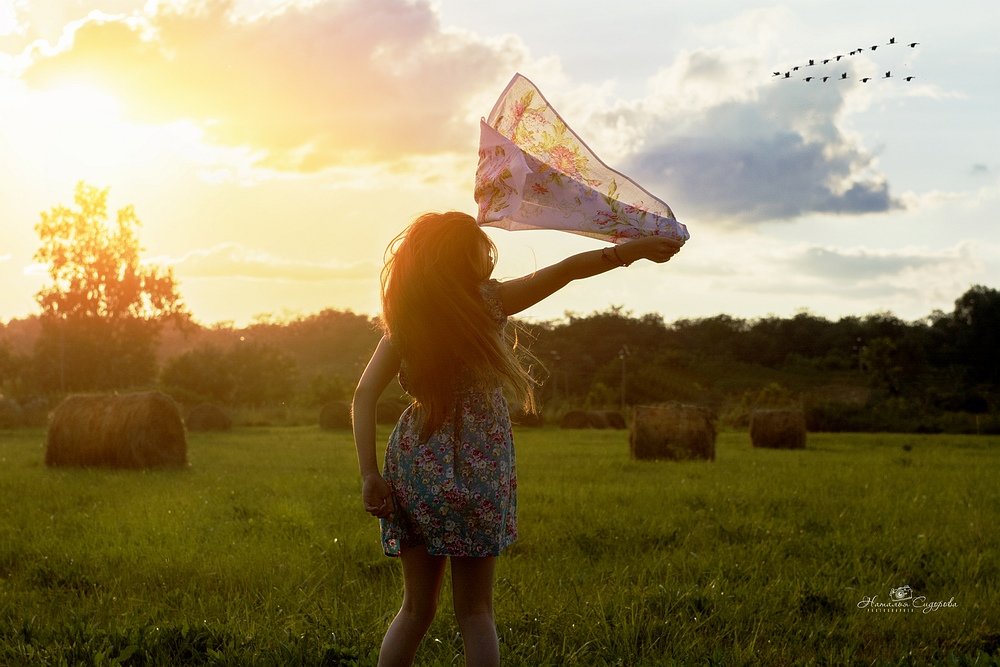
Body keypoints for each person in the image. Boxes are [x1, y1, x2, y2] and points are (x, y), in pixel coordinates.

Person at [352, 211, 681, 666]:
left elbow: (364, 396)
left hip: (415, 464)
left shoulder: (406, 322)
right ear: (467, 256)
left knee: (414, 609)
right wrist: (632, 251)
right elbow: (566, 270)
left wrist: (370, 474)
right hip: (479, 465)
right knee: (475, 612)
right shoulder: (490, 301)